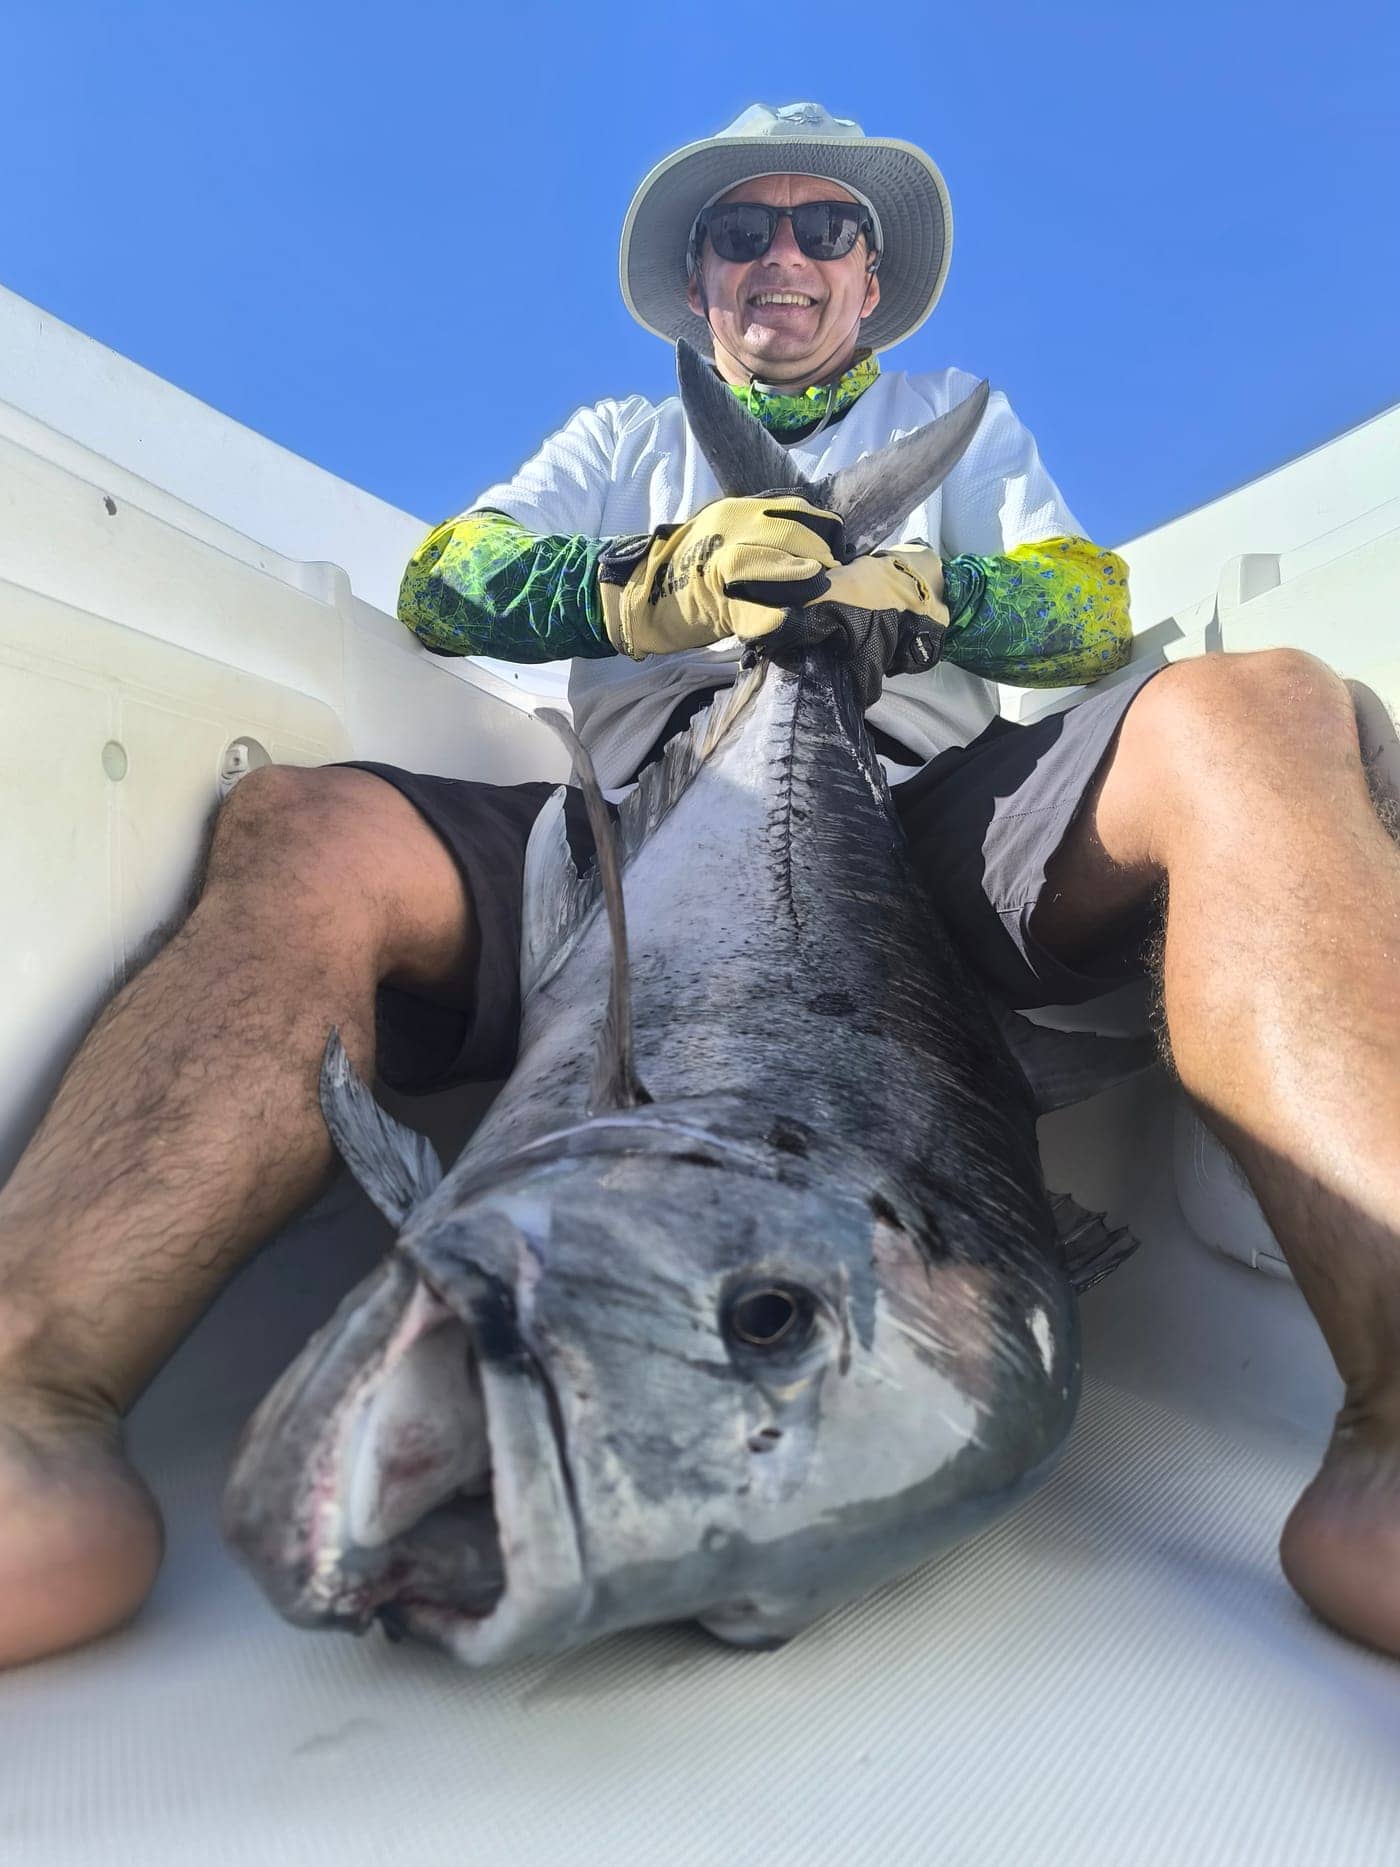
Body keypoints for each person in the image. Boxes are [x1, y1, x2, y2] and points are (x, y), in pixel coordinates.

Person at [0, 102, 1396, 1672]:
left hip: (925, 826)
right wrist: (645, 583)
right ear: (699, 279)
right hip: (605, 829)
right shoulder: (615, 444)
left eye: (826, 231)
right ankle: (27, 1398)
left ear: (871, 280)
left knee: (1261, 710)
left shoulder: (962, 416)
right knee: (305, 828)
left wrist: (924, 596)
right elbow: (444, 579)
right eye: (745, 233)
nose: (785, 258)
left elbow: (1086, 616)